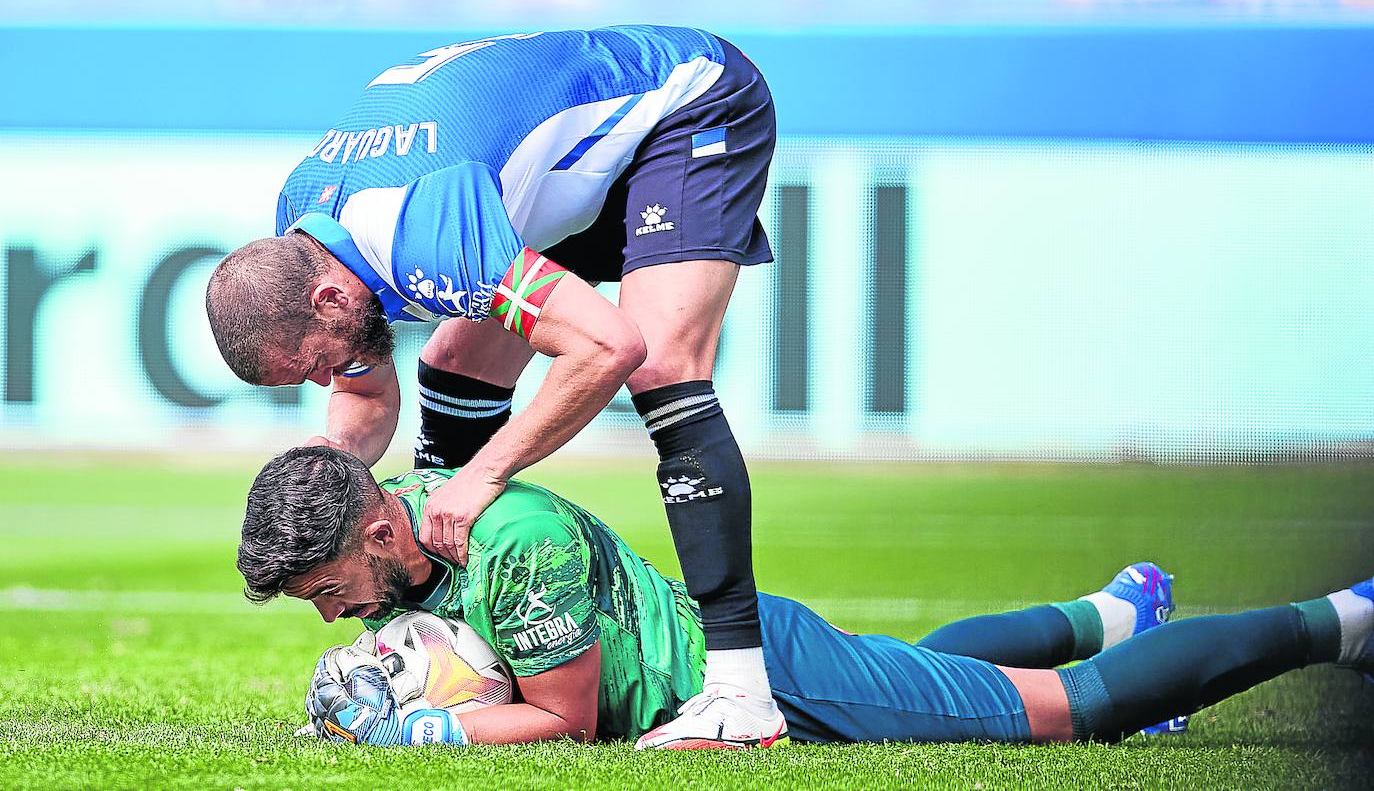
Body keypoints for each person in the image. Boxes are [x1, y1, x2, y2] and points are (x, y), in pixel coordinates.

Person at [205, 26, 779, 747]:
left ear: (327, 300)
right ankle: (477, 635)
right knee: (452, 368)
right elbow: (364, 396)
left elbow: (610, 346)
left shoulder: (422, 229)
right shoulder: (308, 229)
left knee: (662, 363)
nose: (327, 378)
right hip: (561, 175)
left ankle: (741, 691)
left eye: (314, 363)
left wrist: (482, 474)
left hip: (687, 105)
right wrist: (324, 486)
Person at [237, 447, 1374, 748]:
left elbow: (563, 723)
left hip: (761, 682)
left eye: (330, 592)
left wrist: (424, 723)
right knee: (928, 670)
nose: (336, 616)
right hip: (746, 654)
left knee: (1069, 712)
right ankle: (1113, 612)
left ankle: (1344, 618)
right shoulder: (397, 518)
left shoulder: (513, 543)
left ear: (382, 527)